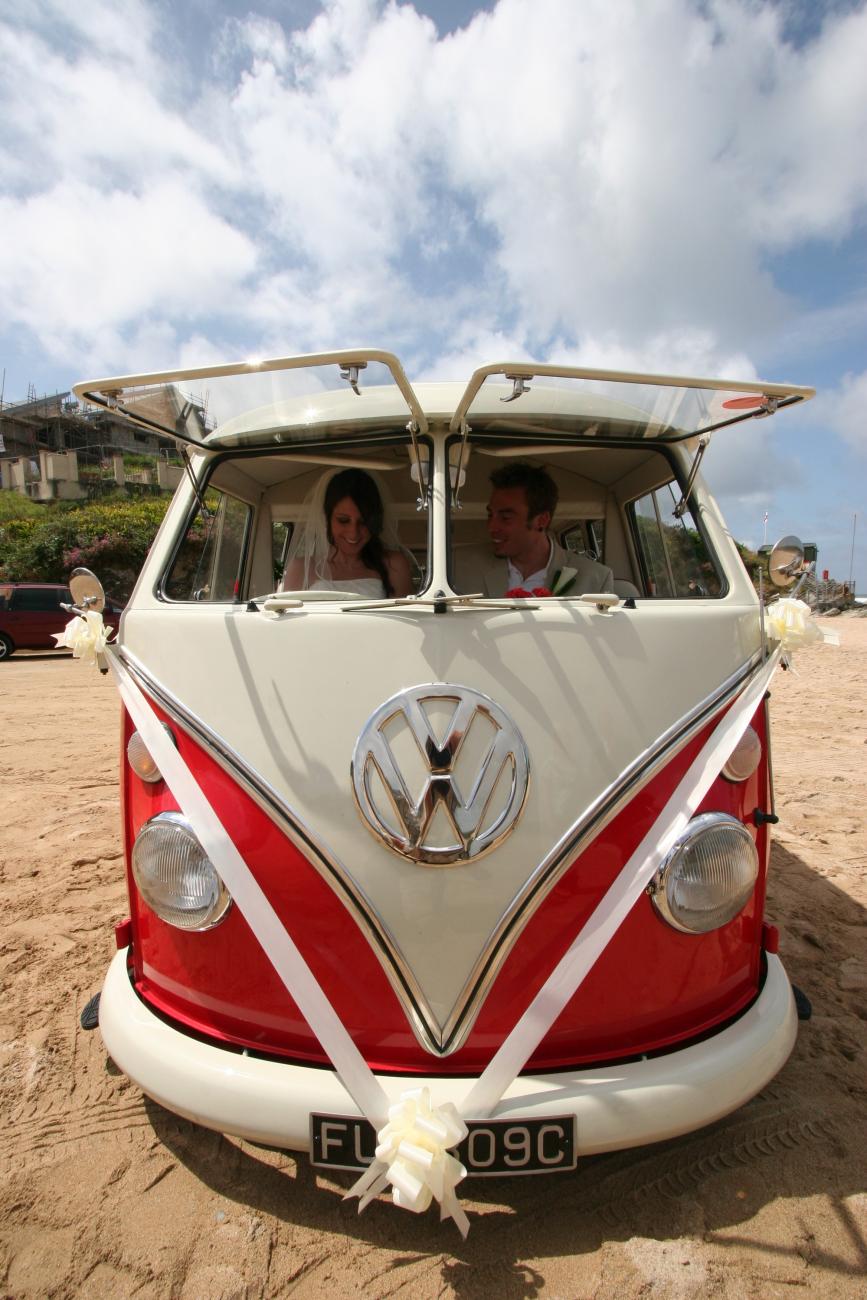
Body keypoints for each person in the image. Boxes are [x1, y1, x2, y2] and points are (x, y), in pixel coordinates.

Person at [483, 462, 614, 597]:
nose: (491, 526)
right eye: (490, 515)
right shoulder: (462, 566)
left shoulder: (596, 578)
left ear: (542, 520)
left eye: (505, 517)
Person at [282, 467, 413, 597]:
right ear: (327, 518)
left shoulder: (394, 565)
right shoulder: (300, 568)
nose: (353, 533)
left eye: (363, 522)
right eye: (343, 520)